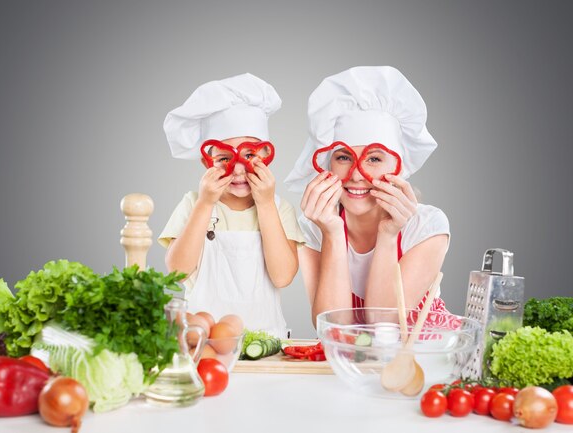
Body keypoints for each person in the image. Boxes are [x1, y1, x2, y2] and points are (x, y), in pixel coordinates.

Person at [285, 66, 452, 328]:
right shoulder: (313, 228)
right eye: (343, 157)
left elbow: (383, 324)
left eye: (374, 159)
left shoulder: (427, 226)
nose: (356, 174)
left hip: (423, 359)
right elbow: (333, 328)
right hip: (351, 360)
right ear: (328, 165)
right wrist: (333, 233)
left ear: (399, 168)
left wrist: (388, 235)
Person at [158, 73, 304, 338]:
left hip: (268, 342)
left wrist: (266, 203)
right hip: (203, 343)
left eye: (249, 155)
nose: (238, 169)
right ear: (207, 163)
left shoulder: (279, 208)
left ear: (266, 155)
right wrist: (205, 203)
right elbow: (177, 273)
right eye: (224, 158)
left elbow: (283, 277)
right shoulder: (193, 204)